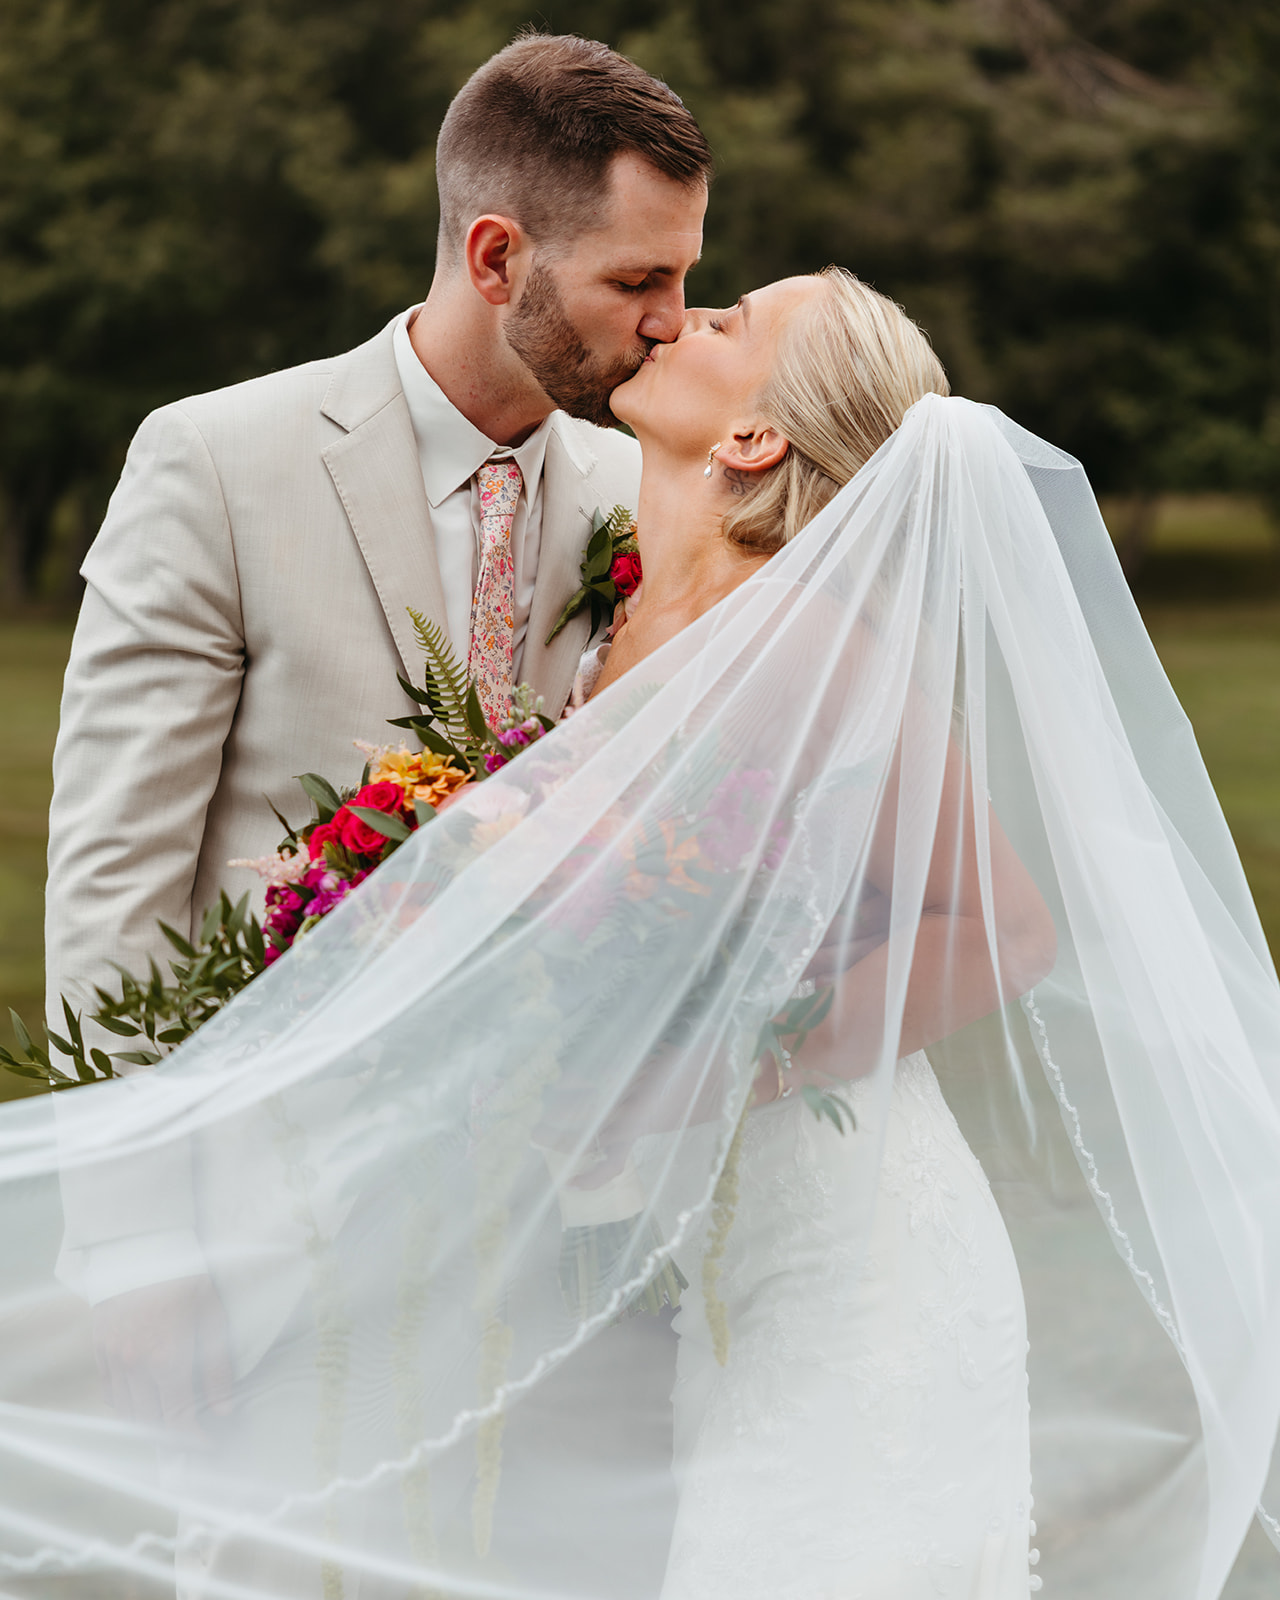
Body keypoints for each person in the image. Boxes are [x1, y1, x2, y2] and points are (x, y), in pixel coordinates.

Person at [5, 268, 1280, 1600]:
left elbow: (1005, 930)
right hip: (705, 1284)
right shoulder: (616, 614)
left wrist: (721, 1070)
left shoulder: (813, 640)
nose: (680, 318)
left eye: (725, 323)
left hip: (854, 1260)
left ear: (755, 438)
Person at [44, 30, 710, 1430]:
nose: (669, 321)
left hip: (554, 1239)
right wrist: (135, 1251)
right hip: (266, 1234)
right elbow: (115, 883)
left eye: (685, 279)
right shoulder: (216, 462)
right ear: (494, 256)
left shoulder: (642, 497)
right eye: (636, 280)